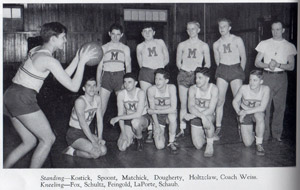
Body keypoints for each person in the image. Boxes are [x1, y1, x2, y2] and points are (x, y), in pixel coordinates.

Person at [3, 22, 97, 168]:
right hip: (23, 97)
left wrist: (78, 58)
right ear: (53, 39)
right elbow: (73, 86)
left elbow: (63, 76)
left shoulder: (36, 50)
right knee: (48, 139)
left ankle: (4, 172)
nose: (65, 41)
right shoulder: (49, 60)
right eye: (63, 37)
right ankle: (32, 182)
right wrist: (83, 63)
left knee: (29, 142)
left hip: (9, 95)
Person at [254, 20, 297, 142]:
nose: (275, 32)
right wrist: (268, 65)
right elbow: (257, 62)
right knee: (265, 107)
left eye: (278, 29)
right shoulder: (264, 43)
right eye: (273, 29)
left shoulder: (289, 46)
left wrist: (278, 64)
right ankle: (264, 134)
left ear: (283, 30)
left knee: (280, 107)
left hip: (281, 78)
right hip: (267, 76)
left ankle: (277, 134)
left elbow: (291, 66)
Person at [213, 18, 246, 140]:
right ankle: (218, 127)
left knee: (238, 100)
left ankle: (241, 127)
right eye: (220, 26)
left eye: (224, 26)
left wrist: (239, 71)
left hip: (235, 68)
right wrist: (224, 70)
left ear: (229, 28)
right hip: (223, 69)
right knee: (219, 101)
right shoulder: (216, 44)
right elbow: (217, 61)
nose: (222, 29)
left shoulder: (237, 40)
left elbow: (243, 57)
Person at [176, 21, 211, 138]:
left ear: (198, 30)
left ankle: (202, 128)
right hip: (184, 74)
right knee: (183, 104)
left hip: (197, 77)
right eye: (188, 29)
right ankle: (182, 128)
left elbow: (208, 63)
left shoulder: (204, 45)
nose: (191, 31)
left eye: (193, 29)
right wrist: (185, 70)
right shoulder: (182, 45)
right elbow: (177, 62)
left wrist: (200, 75)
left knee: (198, 104)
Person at [136, 23, 169, 143]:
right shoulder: (140, 46)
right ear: (142, 34)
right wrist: (148, 70)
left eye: (150, 30)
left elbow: (167, 58)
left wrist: (159, 69)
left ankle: (159, 126)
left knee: (158, 99)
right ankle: (150, 128)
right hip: (146, 73)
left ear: (154, 32)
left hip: (159, 72)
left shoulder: (160, 42)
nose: (147, 33)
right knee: (147, 101)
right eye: (145, 31)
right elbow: (140, 63)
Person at [63, 78, 107, 158]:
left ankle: (84, 146)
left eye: (94, 85)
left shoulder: (97, 99)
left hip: (86, 132)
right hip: (74, 134)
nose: (92, 88)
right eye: (89, 85)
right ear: (84, 88)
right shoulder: (80, 102)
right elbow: (83, 124)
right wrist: (93, 141)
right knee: (96, 154)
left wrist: (100, 137)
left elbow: (99, 119)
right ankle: (72, 151)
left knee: (103, 151)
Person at [96, 23, 131, 116]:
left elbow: (128, 66)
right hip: (106, 76)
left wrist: (128, 81)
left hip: (120, 77)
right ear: (109, 34)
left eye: (118, 34)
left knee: (123, 107)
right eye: (113, 34)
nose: (115, 37)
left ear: (122, 35)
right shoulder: (103, 48)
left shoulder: (125, 48)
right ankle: (97, 131)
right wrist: (98, 83)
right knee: (101, 108)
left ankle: (124, 131)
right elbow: (99, 67)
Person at [110, 73, 151, 151]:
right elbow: (120, 114)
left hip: (142, 119)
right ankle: (132, 135)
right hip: (128, 119)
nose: (126, 84)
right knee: (122, 147)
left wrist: (118, 118)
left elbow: (138, 114)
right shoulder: (121, 94)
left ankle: (139, 139)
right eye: (125, 82)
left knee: (135, 122)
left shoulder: (140, 93)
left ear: (135, 83)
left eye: (129, 82)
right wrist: (124, 133)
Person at [232, 70, 270, 155]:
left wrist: (245, 112)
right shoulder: (244, 88)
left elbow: (262, 107)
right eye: (250, 80)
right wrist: (239, 112)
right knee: (247, 144)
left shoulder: (265, 89)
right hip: (244, 112)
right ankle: (253, 133)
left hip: (256, 112)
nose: (251, 83)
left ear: (261, 81)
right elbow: (234, 102)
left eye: (255, 80)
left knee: (259, 116)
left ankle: (259, 143)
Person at [184, 67, 218, 157]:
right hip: (197, 115)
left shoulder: (214, 88)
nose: (197, 80)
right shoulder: (192, 89)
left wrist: (197, 116)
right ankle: (209, 135)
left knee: (208, 119)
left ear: (207, 79)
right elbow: (191, 107)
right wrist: (200, 116)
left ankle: (210, 144)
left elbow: (211, 109)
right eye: (196, 78)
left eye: (200, 78)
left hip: (208, 115)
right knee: (198, 146)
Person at [147, 69, 178, 154]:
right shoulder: (151, 90)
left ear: (166, 81)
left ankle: (171, 141)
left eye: (160, 79)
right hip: (158, 117)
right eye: (156, 78)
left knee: (172, 116)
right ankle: (161, 132)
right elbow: (152, 110)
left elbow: (173, 109)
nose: (157, 81)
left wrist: (155, 111)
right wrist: (156, 126)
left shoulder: (171, 87)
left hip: (168, 114)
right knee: (159, 146)